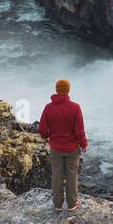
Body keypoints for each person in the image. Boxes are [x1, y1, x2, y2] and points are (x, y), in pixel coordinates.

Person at [38, 78, 87, 212]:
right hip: (72, 148)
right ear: (68, 90)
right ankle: (72, 204)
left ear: (56, 90)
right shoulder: (75, 107)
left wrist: (46, 137)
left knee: (57, 175)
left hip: (56, 148)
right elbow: (79, 130)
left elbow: (42, 128)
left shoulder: (48, 108)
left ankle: (58, 204)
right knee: (72, 175)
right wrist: (83, 144)